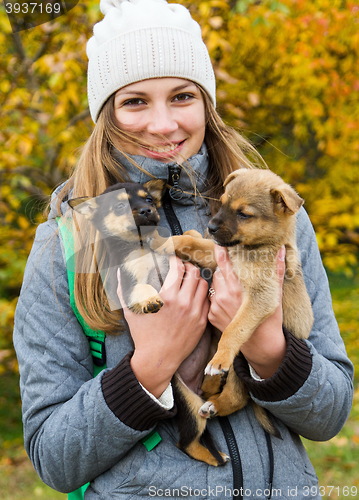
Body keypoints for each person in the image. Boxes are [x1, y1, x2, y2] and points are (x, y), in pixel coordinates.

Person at [13, 0, 353, 498]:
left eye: (181, 96)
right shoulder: (76, 238)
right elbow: (53, 458)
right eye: (134, 102)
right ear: (104, 113)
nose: (163, 124)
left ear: (207, 104)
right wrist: (148, 367)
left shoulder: (274, 217)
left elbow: (331, 416)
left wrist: (268, 349)